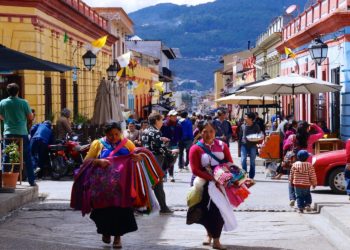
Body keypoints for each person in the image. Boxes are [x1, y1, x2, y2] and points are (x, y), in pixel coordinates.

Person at [83, 121, 142, 248]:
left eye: (116, 134)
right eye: (110, 135)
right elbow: (86, 161)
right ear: (105, 134)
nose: (114, 137)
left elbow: (136, 156)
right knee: (103, 211)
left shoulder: (127, 144)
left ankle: (117, 238)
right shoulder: (97, 144)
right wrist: (98, 161)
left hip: (122, 187)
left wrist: (137, 158)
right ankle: (105, 232)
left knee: (120, 212)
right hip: (102, 188)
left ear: (120, 133)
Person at [187, 120, 234, 250]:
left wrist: (223, 176)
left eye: (211, 131)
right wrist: (212, 178)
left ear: (215, 132)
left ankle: (217, 240)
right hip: (202, 184)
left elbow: (229, 163)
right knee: (204, 211)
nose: (208, 134)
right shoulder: (195, 148)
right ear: (200, 132)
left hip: (220, 184)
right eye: (205, 132)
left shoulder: (223, 145)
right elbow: (195, 169)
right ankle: (208, 233)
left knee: (217, 211)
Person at [0, 83, 35, 186]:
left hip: (8, 133)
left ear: (8, 91)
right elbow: (30, 117)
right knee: (27, 156)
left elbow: (1, 116)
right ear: (18, 91)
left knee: (6, 156)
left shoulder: (3, 102)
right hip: (22, 133)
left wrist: (7, 119)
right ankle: (31, 180)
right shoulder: (24, 103)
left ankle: (4, 181)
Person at [141, 112, 176, 214]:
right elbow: (161, 148)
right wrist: (171, 153)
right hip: (156, 160)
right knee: (158, 183)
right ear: (156, 120)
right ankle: (163, 207)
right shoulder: (156, 132)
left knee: (148, 183)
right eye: (161, 120)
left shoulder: (145, 131)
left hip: (146, 159)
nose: (162, 122)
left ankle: (146, 206)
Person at [160, 110, 182, 182]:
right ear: (169, 116)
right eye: (173, 116)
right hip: (166, 144)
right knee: (165, 159)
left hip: (174, 144)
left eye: (176, 116)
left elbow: (181, 134)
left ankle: (170, 174)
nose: (175, 117)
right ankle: (166, 175)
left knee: (172, 160)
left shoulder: (178, 125)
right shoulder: (164, 124)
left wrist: (178, 141)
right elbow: (160, 133)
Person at [238, 112, 261, 179]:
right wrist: (239, 146)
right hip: (244, 145)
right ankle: (244, 175)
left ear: (250, 119)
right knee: (243, 159)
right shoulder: (242, 126)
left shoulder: (256, 126)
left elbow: (259, 135)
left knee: (252, 161)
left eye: (246, 117)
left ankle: (251, 176)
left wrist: (256, 141)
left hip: (252, 145)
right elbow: (240, 136)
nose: (244, 118)